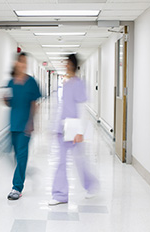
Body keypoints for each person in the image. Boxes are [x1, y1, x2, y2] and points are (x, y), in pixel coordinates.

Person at [49, 54, 98, 206]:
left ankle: (91, 185)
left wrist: (80, 131)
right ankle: (60, 195)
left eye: (68, 64)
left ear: (73, 65)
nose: (66, 66)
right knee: (61, 162)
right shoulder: (65, 83)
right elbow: (62, 106)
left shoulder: (78, 84)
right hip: (62, 128)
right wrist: (54, 126)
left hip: (74, 129)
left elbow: (82, 107)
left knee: (80, 161)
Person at [4, 52, 41, 200]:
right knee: (13, 155)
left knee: (21, 155)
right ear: (16, 63)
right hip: (13, 124)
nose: (23, 65)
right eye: (21, 62)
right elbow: (9, 102)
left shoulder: (31, 82)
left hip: (25, 125)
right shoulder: (11, 82)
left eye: (25, 62)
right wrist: (4, 99)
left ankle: (17, 187)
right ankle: (25, 171)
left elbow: (34, 104)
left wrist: (32, 122)